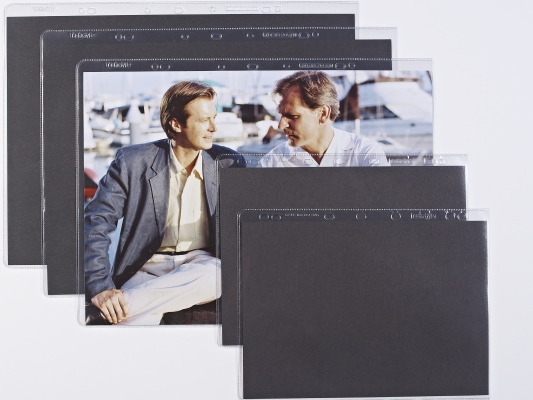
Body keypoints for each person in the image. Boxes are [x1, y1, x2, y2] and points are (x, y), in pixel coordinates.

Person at [84, 81, 241, 325]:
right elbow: (96, 221)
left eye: (214, 118)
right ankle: (127, 306)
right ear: (176, 124)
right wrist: (101, 287)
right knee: (130, 332)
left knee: (221, 274)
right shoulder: (132, 162)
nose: (213, 128)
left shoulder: (228, 162)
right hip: (147, 266)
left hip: (201, 265)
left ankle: (124, 305)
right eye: (204, 120)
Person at [258, 71, 390, 167]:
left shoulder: (366, 154)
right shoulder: (271, 163)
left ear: (323, 114)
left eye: (292, 116)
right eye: (281, 115)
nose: (281, 125)